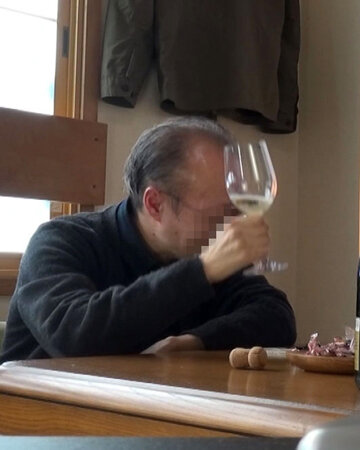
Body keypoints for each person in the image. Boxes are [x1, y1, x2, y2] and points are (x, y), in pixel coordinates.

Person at [0, 117, 296, 362]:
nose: (233, 223)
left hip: (143, 408)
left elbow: (276, 317)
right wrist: (203, 271)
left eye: (237, 209)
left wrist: (195, 340)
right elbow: (75, 336)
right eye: (221, 212)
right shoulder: (59, 241)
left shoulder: (199, 246)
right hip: (36, 411)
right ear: (155, 204)